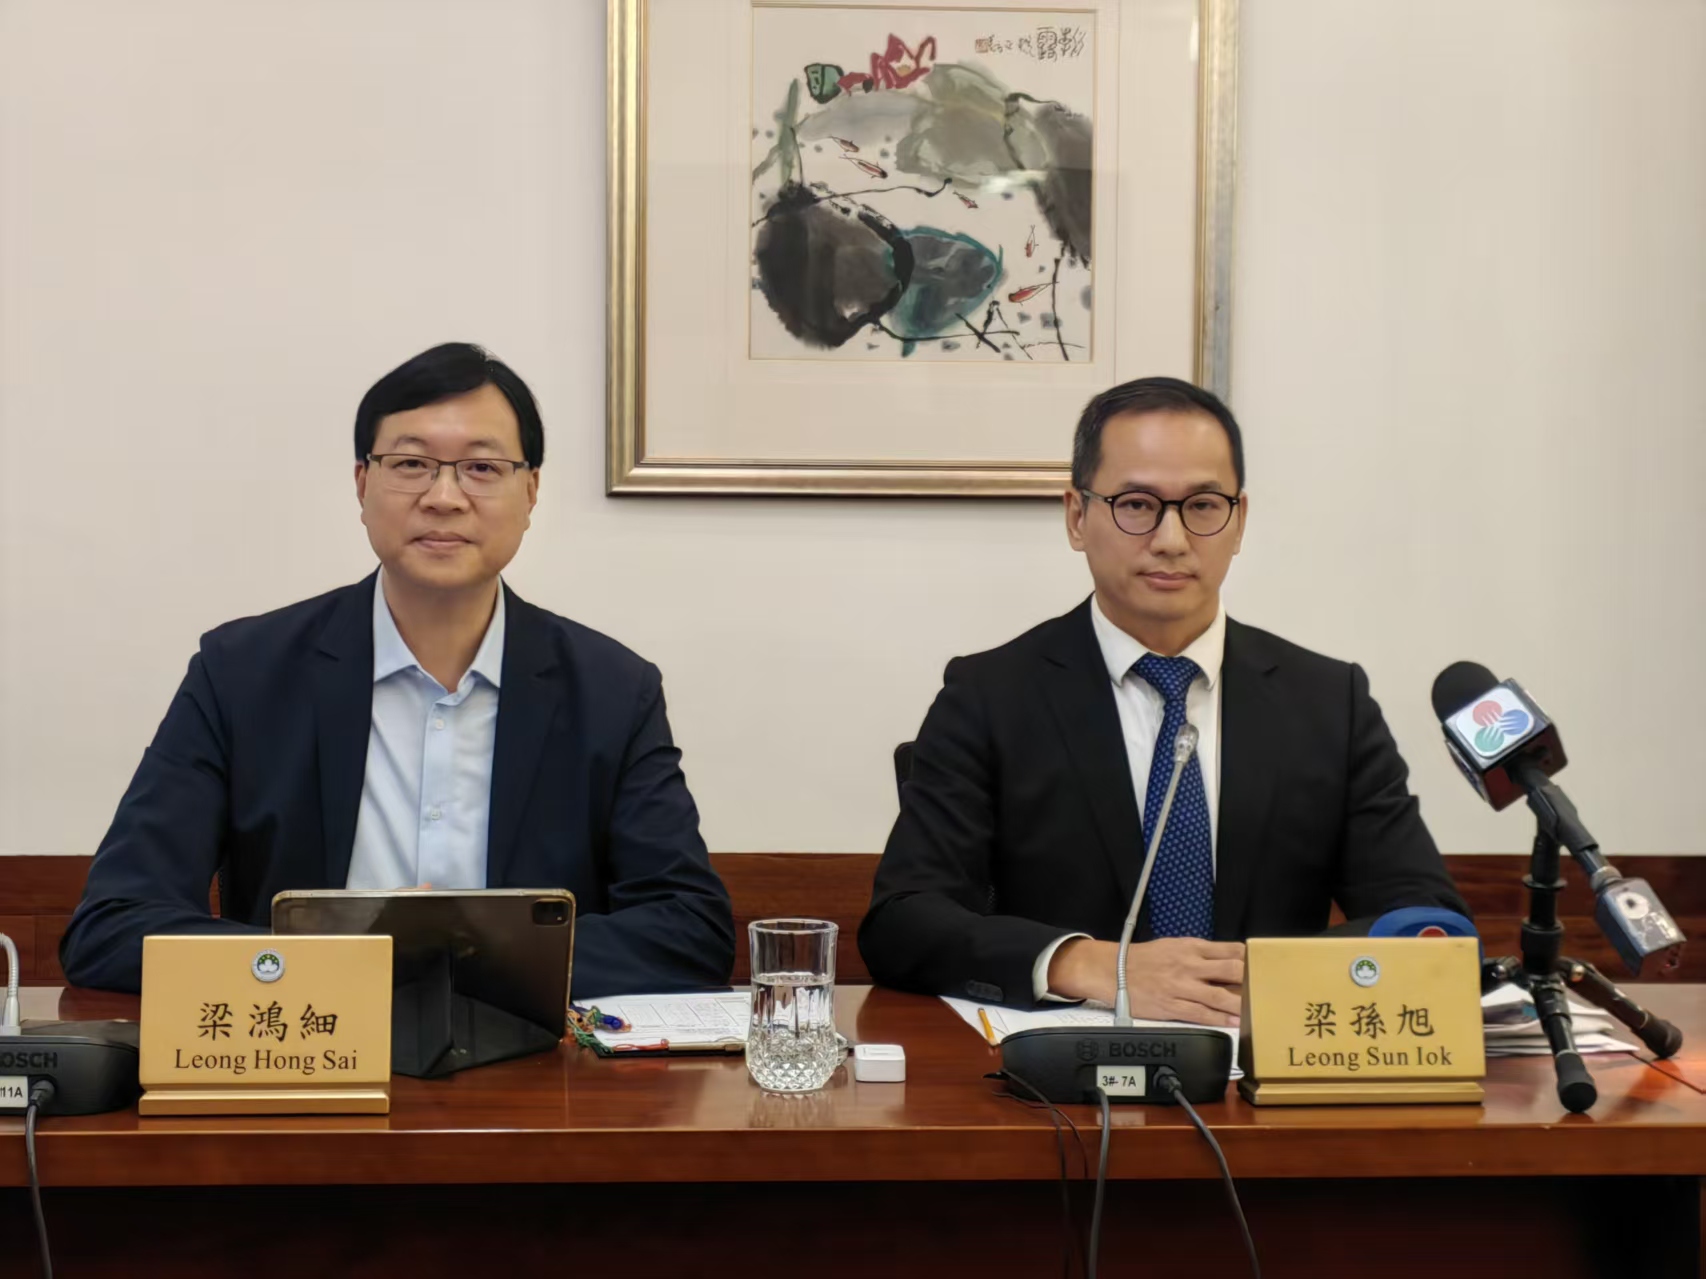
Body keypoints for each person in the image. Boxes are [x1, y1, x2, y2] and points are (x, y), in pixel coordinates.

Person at [62, 342, 734, 994]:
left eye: (481, 467)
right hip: (311, 1048)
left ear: (530, 492)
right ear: (362, 484)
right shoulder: (241, 674)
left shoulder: (613, 691)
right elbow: (112, 926)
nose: (444, 496)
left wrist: (463, 962)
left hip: (531, 1057)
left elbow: (690, 930)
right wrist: (336, 970)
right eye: (411, 463)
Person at [859, 377, 1467, 1018]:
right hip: (1065, 1066)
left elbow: (1427, 922)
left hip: (1263, 1059)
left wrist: (1276, 980)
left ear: (1239, 521)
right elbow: (902, 922)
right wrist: (1090, 964)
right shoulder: (991, 696)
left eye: (1203, 505)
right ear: (1076, 516)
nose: (1172, 539)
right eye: (1137, 504)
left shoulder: (1328, 704)